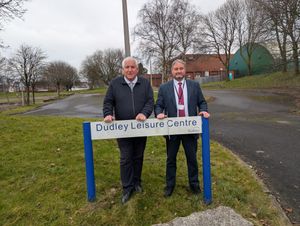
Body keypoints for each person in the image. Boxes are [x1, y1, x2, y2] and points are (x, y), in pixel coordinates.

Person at [155, 59, 210, 197]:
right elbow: (158, 105)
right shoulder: (164, 88)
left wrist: (203, 110)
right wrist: (159, 113)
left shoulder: (194, 86)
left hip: (189, 129)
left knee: (192, 158)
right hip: (172, 130)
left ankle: (194, 185)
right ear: (172, 71)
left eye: (181, 69)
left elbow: (202, 102)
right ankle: (170, 186)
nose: (178, 71)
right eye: (176, 69)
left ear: (184, 70)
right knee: (171, 159)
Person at [103, 56, 154, 204]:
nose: (130, 70)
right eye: (127, 67)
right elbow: (108, 102)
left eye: (133, 67)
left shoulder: (144, 83)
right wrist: (107, 114)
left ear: (137, 69)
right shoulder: (115, 84)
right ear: (123, 69)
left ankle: (137, 182)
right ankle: (127, 187)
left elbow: (150, 101)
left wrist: (144, 113)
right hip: (123, 128)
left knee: (138, 156)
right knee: (126, 158)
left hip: (140, 127)